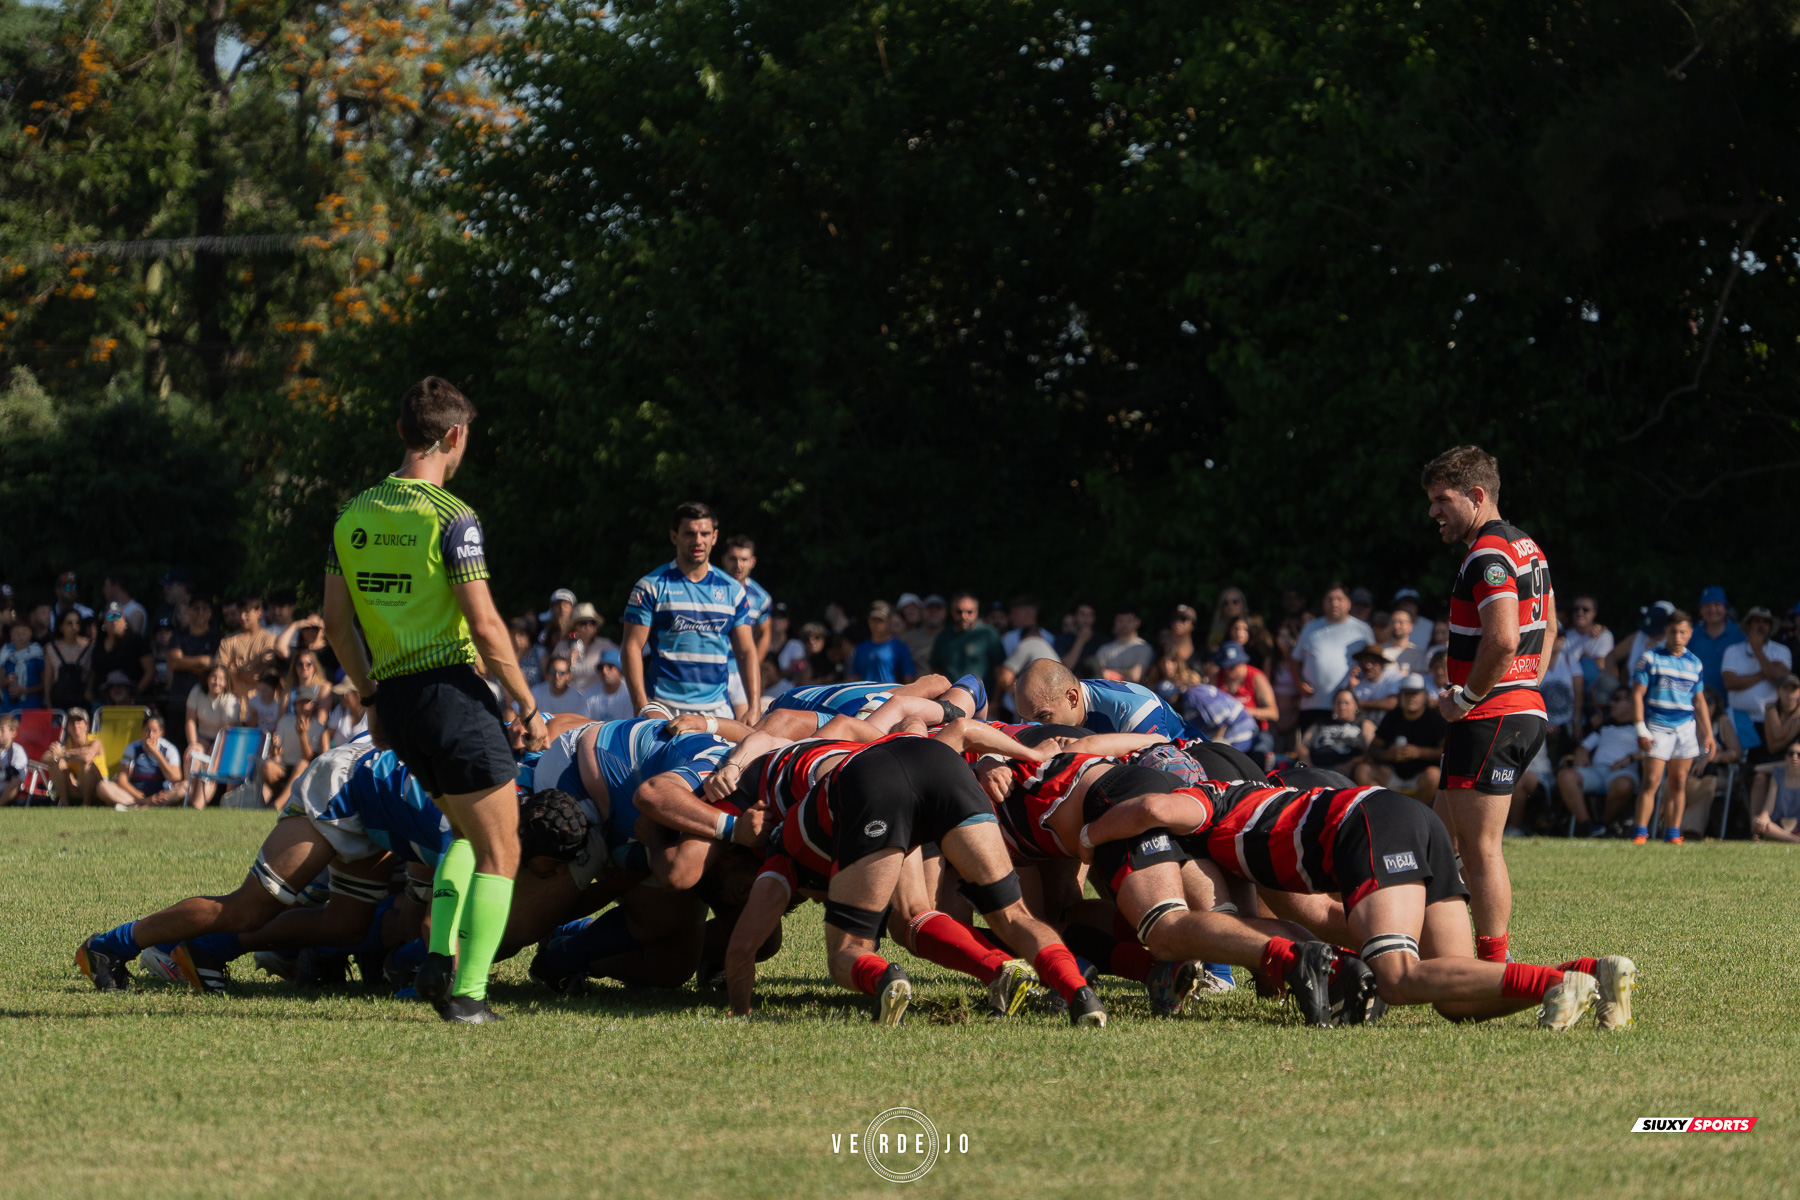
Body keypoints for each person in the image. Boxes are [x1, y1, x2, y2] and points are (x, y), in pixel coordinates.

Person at [324, 375, 549, 1024]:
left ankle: (436, 961)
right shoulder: (453, 517)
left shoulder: (354, 513)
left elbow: (336, 625)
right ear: (453, 436)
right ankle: (469, 995)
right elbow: (485, 626)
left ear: (402, 432)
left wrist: (370, 695)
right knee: (503, 850)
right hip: (451, 695)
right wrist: (528, 706)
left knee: (465, 834)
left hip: (395, 700)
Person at [1081, 777, 1637, 1030]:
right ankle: (1589, 972)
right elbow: (1307, 923)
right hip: (1409, 820)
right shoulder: (1257, 832)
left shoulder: (1211, 801)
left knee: (1395, 976)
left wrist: (1089, 838)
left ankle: (1552, 987)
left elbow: (1152, 804)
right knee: (1456, 994)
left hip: (1369, 825)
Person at [1422, 445, 1553, 966]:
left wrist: (1469, 695)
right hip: (1513, 708)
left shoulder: (1488, 554)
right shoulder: (1528, 546)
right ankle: (1416, 940)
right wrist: (1530, 680)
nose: (1433, 511)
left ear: (1476, 496)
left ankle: (1492, 967)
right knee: (1434, 836)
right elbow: (1548, 621)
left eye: (1441, 499)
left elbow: (1502, 638)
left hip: (1489, 715)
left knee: (1480, 850)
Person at [620, 501, 760, 721]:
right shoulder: (650, 586)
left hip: (717, 712)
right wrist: (640, 703)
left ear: (714, 537)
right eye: (690, 534)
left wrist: (754, 706)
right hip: (664, 710)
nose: (698, 541)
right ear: (674, 536)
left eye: (704, 534)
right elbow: (632, 646)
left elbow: (746, 652)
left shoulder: (733, 590)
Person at [1629, 610, 1713, 845]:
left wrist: (1707, 733)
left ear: (1690, 634)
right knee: (1652, 779)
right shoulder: (1650, 658)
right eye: (1673, 631)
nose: (1677, 636)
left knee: (1679, 781)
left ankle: (1674, 833)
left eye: (1682, 632)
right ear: (1666, 631)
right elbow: (1637, 694)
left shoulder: (1694, 663)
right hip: (1658, 725)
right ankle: (1640, 832)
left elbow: (1698, 700)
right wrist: (1640, 728)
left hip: (1685, 727)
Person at [1013, 658, 1196, 739]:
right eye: (1024, 719)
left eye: (1043, 716)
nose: (1032, 728)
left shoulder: (1133, 710)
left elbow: (1156, 777)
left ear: (1072, 698)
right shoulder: (1056, 696)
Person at [1556, 691, 1642, 837]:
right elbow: (1584, 746)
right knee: (1566, 776)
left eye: (1616, 699)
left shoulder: (1641, 729)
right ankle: (1587, 825)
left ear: (1632, 704)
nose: (1611, 704)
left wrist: (1628, 759)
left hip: (1623, 772)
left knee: (1623, 785)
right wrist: (1582, 753)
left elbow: (1651, 751)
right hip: (1597, 771)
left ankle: (1603, 824)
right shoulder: (1605, 726)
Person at [1291, 583, 1375, 731]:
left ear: (1348, 603)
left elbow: (1373, 662)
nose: (1334, 603)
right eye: (1329, 599)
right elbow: (1295, 660)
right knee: (1311, 749)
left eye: (1339, 599)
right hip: (1313, 703)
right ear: (1323, 603)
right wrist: (1299, 683)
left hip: (1348, 706)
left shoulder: (1363, 630)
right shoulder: (1310, 627)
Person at [1356, 675, 1448, 800]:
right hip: (1392, 774)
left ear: (1424, 696)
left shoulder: (1435, 719)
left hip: (1421, 777)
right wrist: (1388, 754)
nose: (1410, 698)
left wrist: (1420, 752)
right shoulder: (1392, 717)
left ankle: (1419, 815)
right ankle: (1381, 811)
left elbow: (1446, 752)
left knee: (1434, 775)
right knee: (1363, 770)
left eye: (1415, 694)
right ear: (1400, 696)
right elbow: (1373, 748)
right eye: (1406, 694)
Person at [1721, 606, 1792, 758]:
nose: (1760, 626)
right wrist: (1764, 673)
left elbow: (1780, 679)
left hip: (1770, 719)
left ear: (1770, 627)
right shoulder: (1732, 650)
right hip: (1739, 719)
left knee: (1764, 763)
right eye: (1756, 621)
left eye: (1765, 622)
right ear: (1748, 626)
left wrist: (1758, 651)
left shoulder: (1781, 650)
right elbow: (1730, 683)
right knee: (1740, 765)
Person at [97, 711, 185, 810]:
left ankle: (144, 806)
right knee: (102, 786)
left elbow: (176, 778)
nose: (150, 735)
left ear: (161, 732)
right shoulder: (133, 748)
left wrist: (157, 753)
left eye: (154, 731)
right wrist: (142, 798)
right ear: (142, 730)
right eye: (147, 730)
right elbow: (122, 780)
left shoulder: (169, 749)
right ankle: (140, 806)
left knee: (185, 786)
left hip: (161, 795)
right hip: (136, 795)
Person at [185, 664, 243, 809]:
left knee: (209, 766)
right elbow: (190, 720)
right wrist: (193, 743)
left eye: (221, 679)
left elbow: (225, 732)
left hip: (225, 740)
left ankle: (198, 805)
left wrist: (211, 754)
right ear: (207, 678)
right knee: (192, 754)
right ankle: (188, 797)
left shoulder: (229, 700)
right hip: (203, 736)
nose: (217, 682)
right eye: (214, 677)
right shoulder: (197, 691)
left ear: (226, 682)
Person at [930, 592, 1007, 692]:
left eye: (969, 612)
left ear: (977, 611)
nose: (964, 616)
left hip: (981, 701)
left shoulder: (988, 634)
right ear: (952, 611)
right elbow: (936, 671)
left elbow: (1000, 670)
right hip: (949, 700)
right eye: (959, 612)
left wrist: (995, 702)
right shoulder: (942, 637)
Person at [218, 595, 281, 705]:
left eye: (247, 612)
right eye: (239, 612)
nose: (242, 617)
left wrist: (237, 669)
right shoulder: (228, 641)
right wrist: (241, 673)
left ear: (259, 612)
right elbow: (220, 668)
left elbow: (267, 668)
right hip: (234, 704)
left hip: (264, 705)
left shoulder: (270, 638)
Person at [43, 707, 104, 805]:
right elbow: (44, 758)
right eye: (72, 722)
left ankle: (86, 804)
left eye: (79, 721)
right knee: (56, 764)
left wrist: (63, 754)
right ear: (68, 727)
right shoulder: (67, 744)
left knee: (84, 764)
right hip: (77, 784)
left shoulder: (95, 741)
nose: (75, 725)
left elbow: (87, 757)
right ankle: (65, 804)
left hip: (99, 784)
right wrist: (59, 757)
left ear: (87, 726)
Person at [91, 604, 153, 699]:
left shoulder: (136, 641)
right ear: (103, 623)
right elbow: (93, 672)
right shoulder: (98, 645)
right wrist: (88, 691)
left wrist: (135, 694)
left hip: (131, 700)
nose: (114, 620)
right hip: (102, 699)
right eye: (110, 617)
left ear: (125, 621)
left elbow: (150, 671)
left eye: (118, 616)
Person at [1298, 688, 1366, 771]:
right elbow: (1303, 746)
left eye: (1346, 703)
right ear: (1333, 706)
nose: (1342, 707)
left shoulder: (1363, 724)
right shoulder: (1320, 723)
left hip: (1346, 771)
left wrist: (1351, 764)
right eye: (1338, 703)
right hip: (1317, 768)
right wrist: (1308, 766)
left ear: (1355, 705)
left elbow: (1370, 751)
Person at [554, 602, 615, 692]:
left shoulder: (606, 645)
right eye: (583, 623)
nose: (588, 626)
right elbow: (552, 676)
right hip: (570, 698)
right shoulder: (562, 647)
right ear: (575, 626)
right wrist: (567, 664)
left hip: (597, 698)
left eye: (592, 623)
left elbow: (620, 669)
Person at [1748, 739, 1800, 844]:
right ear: (1785, 757)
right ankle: (1795, 841)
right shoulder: (1778, 776)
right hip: (1778, 826)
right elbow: (1768, 808)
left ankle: (1789, 838)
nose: (1794, 757)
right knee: (1758, 821)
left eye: (1799, 754)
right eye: (1791, 753)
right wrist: (1763, 818)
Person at [852, 601, 916, 684]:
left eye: (881, 620)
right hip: (865, 695)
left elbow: (909, 679)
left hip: (890, 695)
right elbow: (855, 678)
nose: (877, 624)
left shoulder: (900, 647)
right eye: (874, 620)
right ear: (868, 621)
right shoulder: (860, 647)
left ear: (889, 621)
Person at [44, 608, 92, 711]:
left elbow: (91, 674)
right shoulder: (51, 648)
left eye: (77, 623)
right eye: (69, 623)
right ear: (61, 627)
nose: (74, 627)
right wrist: (48, 705)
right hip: (59, 700)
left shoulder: (89, 647)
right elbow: (48, 679)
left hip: (81, 701)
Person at [1092, 605, 1155, 682]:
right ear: (1114, 622)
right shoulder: (1104, 649)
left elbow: (1135, 676)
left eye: (1129, 620)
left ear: (1137, 622)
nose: (1124, 624)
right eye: (1120, 620)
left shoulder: (1144, 648)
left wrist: (1108, 673)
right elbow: (1096, 674)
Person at [1, 618, 46, 710]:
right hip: (8, 707)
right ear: (11, 635)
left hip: (31, 706)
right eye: (17, 633)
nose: (21, 636)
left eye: (24, 633)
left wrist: (25, 691)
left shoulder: (37, 654)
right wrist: (7, 680)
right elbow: (1, 683)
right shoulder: (5, 654)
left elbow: (45, 683)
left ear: (30, 634)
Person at [583, 648, 634, 720]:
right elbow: (582, 723)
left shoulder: (630, 694)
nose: (604, 671)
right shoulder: (589, 694)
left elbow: (629, 724)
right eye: (601, 668)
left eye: (610, 666)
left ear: (620, 670)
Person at [1379, 609, 1427, 677]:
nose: (1396, 626)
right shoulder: (1381, 651)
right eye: (1393, 622)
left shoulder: (1418, 653)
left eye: (1401, 622)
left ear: (1410, 627)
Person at [0, 712, 27, 806]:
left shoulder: (17, 750)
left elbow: (14, 773)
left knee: (15, 781)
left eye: (2, 730)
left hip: (9, 786)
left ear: (13, 732)